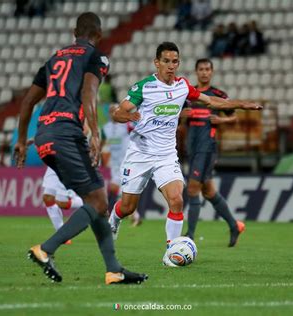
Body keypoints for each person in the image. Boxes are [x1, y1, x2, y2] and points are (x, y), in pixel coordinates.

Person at [14, 12, 147, 285]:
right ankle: (45, 249)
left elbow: (27, 102)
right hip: (67, 134)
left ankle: (113, 270)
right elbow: (89, 94)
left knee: (97, 200)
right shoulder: (95, 56)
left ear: (74, 31)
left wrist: (19, 140)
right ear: (98, 35)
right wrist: (96, 134)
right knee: (98, 201)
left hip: (44, 136)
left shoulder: (54, 59)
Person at [107, 42, 262, 265]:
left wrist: (241, 104)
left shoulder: (183, 86)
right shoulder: (144, 87)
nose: (171, 66)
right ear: (156, 62)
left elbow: (211, 100)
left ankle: (170, 253)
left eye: (175, 62)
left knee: (177, 200)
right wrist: (129, 116)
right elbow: (118, 113)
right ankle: (114, 218)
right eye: (167, 61)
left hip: (166, 156)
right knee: (128, 207)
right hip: (140, 154)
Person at [181, 58, 244, 247]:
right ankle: (234, 225)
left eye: (207, 69)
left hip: (207, 148)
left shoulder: (218, 95)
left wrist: (222, 121)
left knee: (192, 189)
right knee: (208, 191)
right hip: (192, 148)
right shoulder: (188, 95)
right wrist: (183, 115)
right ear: (196, 71)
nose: (204, 72)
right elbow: (177, 116)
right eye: (201, 69)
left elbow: (235, 117)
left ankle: (189, 236)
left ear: (212, 72)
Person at [101, 116, 141, 226]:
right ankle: (134, 215)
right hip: (115, 163)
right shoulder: (106, 128)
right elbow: (104, 143)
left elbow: (137, 132)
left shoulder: (127, 125)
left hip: (126, 161)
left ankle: (110, 215)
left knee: (118, 188)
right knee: (116, 189)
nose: (113, 112)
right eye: (111, 111)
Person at [41, 166, 84, 244]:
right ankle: (63, 236)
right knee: (47, 198)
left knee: (62, 203)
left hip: (67, 161)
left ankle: (92, 203)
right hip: (52, 162)